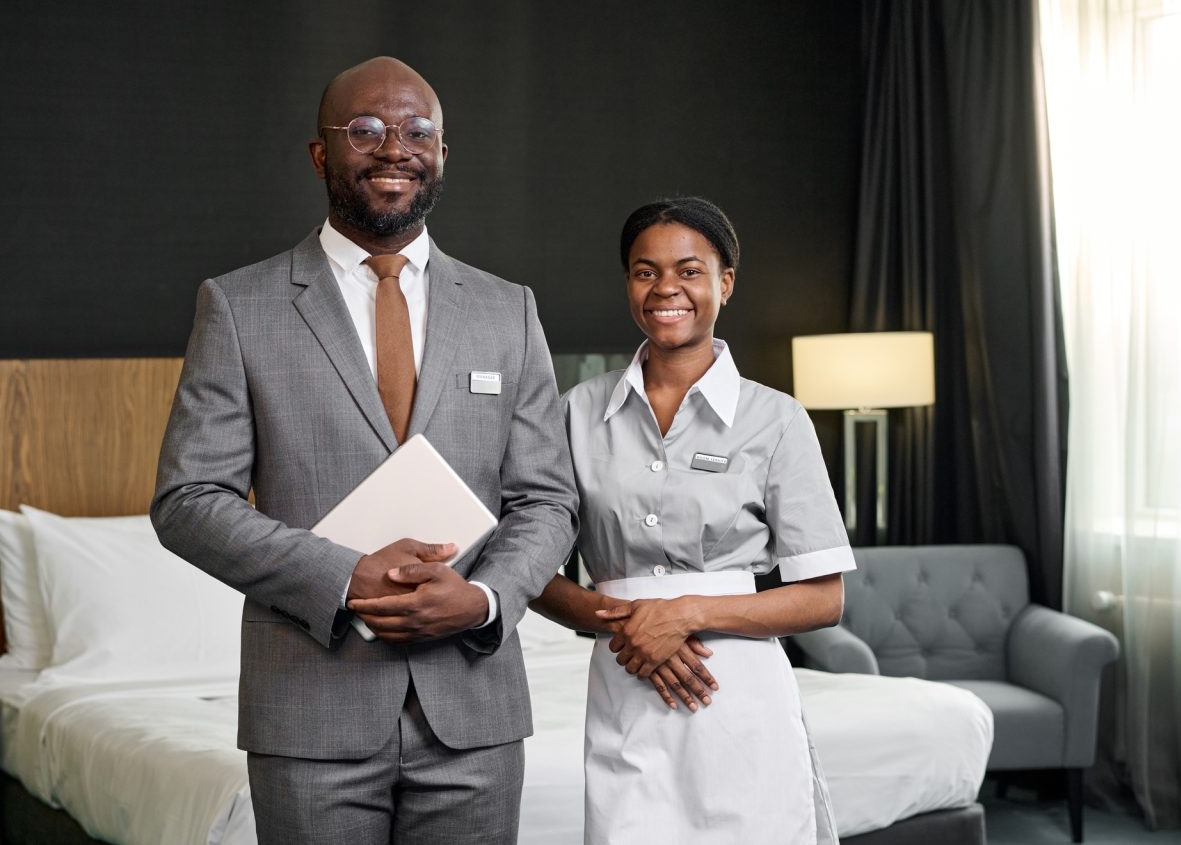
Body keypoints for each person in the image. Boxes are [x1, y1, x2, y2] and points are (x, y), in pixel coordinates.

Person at [151, 57, 577, 845]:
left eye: (417, 131)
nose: (394, 149)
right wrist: (344, 575)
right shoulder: (238, 306)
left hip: (475, 712)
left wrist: (484, 599)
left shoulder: (508, 310)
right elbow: (188, 501)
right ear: (321, 153)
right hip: (310, 711)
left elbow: (547, 498)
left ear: (442, 151)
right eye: (366, 129)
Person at [531, 197, 855, 844]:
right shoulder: (573, 413)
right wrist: (627, 620)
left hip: (739, 696)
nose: (666, 289)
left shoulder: (777, 419)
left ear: (724, 283)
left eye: (689, 270)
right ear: (628, 283)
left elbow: (824, 598)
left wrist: (683, 614)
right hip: (623, 682)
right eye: (645, 272)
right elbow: (531, 570)